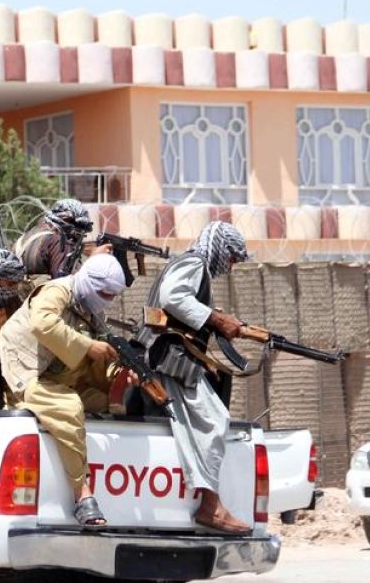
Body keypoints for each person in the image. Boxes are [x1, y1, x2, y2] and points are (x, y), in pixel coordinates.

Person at [135, 221, 251, 534]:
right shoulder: (194, 263)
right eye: (230, 259)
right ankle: (211, 506)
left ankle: (210, 502)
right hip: (169, 360)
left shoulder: (189, 265)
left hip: (169, 358)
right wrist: (217, 318)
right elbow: (174, 299)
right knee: (213, 420)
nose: (229, 267)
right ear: (219, 250)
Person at [0, 253, 128, 526]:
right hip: (22, 372)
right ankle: (82, 495)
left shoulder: (89, 311)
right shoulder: (59, 290)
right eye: (105, 293)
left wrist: (122, 372)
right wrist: (88, 346)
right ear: (90, 283)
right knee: (69, 406)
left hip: (54, 377)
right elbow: (42, 323)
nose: (109, 300)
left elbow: (97, 357)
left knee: (101, 401)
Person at [14, 198, 95, 280]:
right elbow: (63, 283)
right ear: (65, 219)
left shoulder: (25, 237)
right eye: (78, 225)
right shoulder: (58, 241)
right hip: (48, 291)